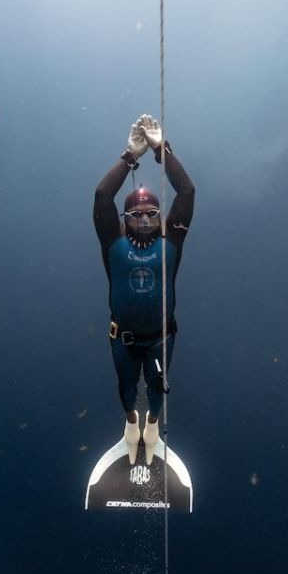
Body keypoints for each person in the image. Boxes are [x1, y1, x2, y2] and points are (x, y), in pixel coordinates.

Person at [93, 113, 195, 464]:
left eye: (152, 212)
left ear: (161, 216)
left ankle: (151, 425)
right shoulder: (113, 244)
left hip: (161, 337)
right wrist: (128, 156)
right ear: (124, 219)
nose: (146, 219)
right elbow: (102, 195)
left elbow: (187, 191)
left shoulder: (172, 242)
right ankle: (131, 424)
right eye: (136, 214)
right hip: (122, 337)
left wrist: (162, 149)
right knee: (125, 386)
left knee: (156, 386)